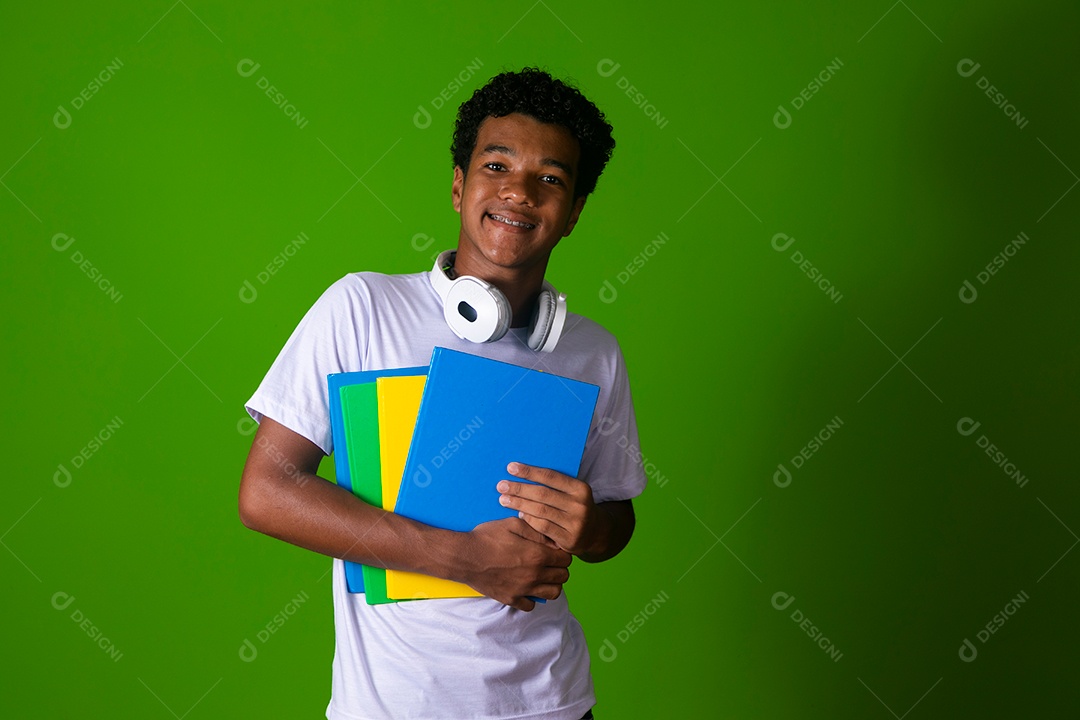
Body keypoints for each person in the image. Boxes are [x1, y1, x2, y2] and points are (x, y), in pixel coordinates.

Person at [239, 67, 647, 720]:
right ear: (459, 186)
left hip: (554, 703)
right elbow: (266, 491)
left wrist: (590, 525)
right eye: (496, 165)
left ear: (573, 213)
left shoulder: (593, 352)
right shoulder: (362, 308)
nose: (518, 192)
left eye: (550, 179)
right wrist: (464, 559)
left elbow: (615, 522)